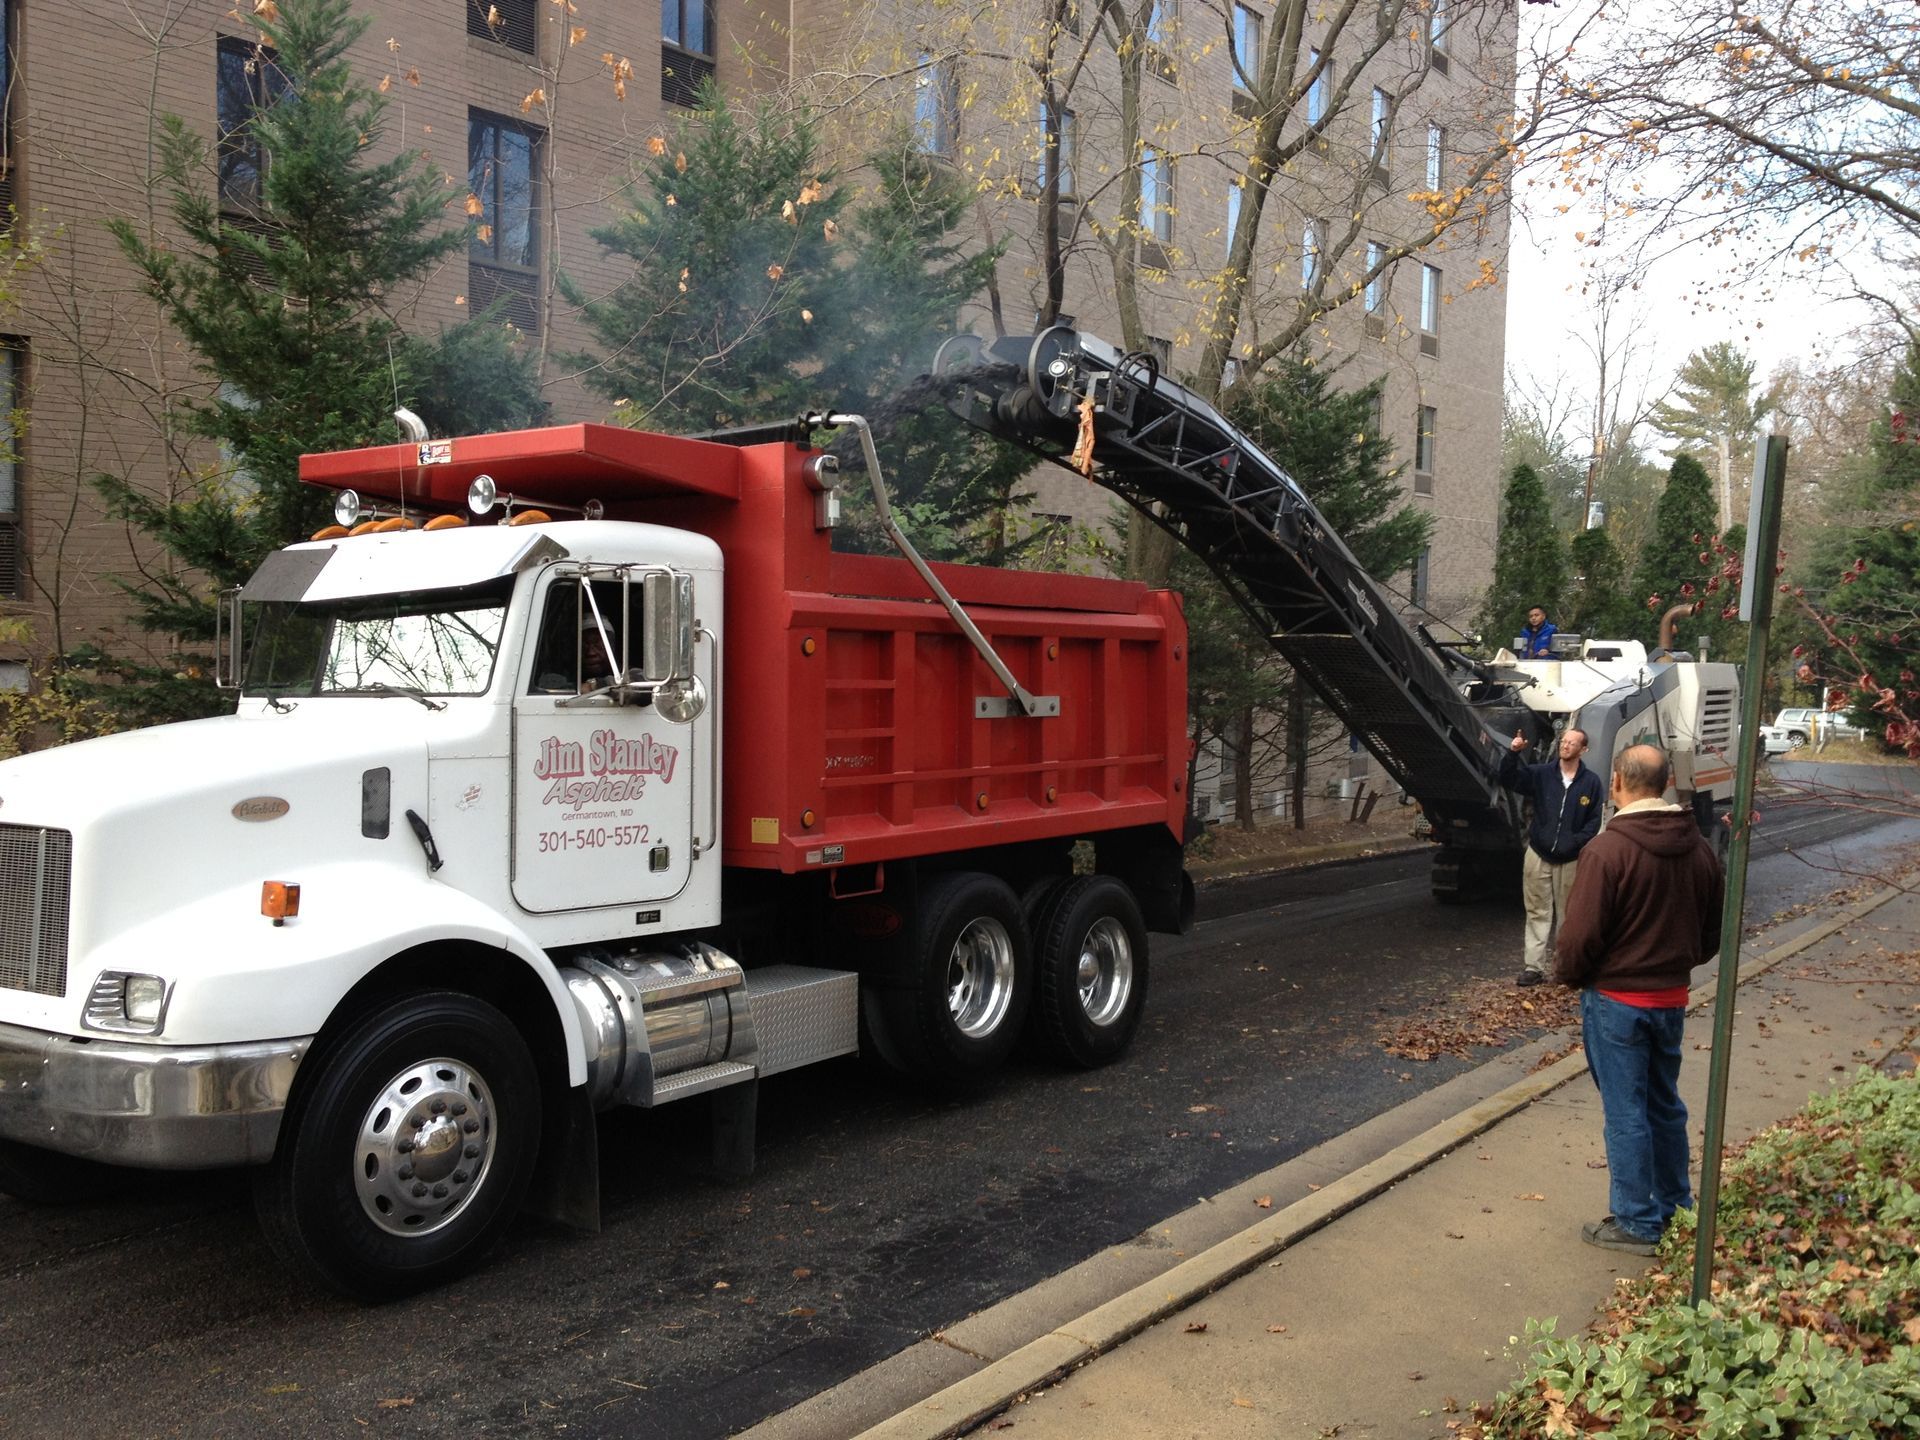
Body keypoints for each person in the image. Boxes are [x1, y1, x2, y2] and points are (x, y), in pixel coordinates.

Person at [1553, 743, 1724, 1256]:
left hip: (1617, 1000)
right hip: (1669, 998)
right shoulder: (1700, 850)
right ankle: (1677, 1207)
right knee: (1664, 1105)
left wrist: (1571, 976)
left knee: (1625, 1111)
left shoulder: (1606, 851)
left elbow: (1578, 937)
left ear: (1620, 784)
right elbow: (1710, 933)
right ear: (1666, 782)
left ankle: (1636, 1221)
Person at [1498, 726, 1605, 986]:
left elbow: (1593, 822)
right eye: (1564, 741)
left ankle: (1564, 967)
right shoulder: (1542, 774)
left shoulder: (1591, 783)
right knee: (1537, 911)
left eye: (1572, 743)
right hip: (1539, 853)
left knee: (1569, 914)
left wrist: (1575, 843)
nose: (1565, 745)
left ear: (1583, 749)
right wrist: (1513, 753)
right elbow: (1508, 778)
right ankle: (1533, 967)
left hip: (1570, 858)